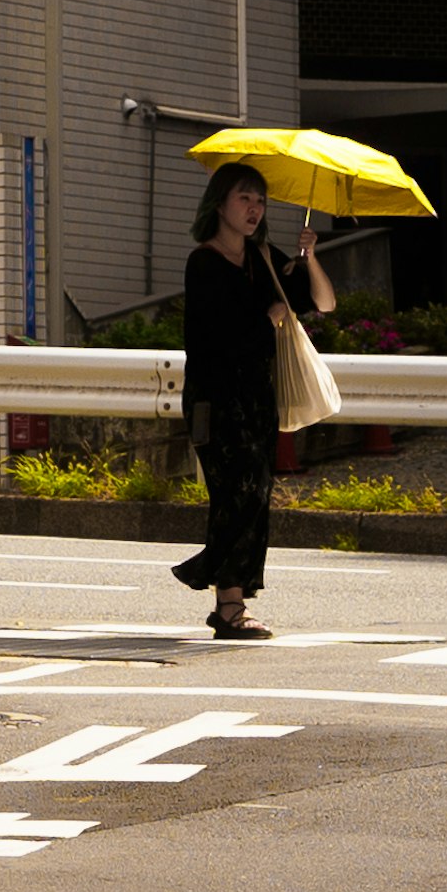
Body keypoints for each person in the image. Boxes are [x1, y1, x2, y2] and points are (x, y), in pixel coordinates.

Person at [173, 160, 335, 639]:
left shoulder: (263, 258)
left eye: (260, 200)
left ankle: (230, 602)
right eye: (244, 197)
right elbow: (211, 340)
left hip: (257, 397)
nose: (254, 207)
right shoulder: (203, 263)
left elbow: (322, 302)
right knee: (237, 492)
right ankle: (224, 597)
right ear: (220, 204)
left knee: (257, 492)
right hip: (214, 399)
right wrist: (267, 319)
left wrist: (310, 259)